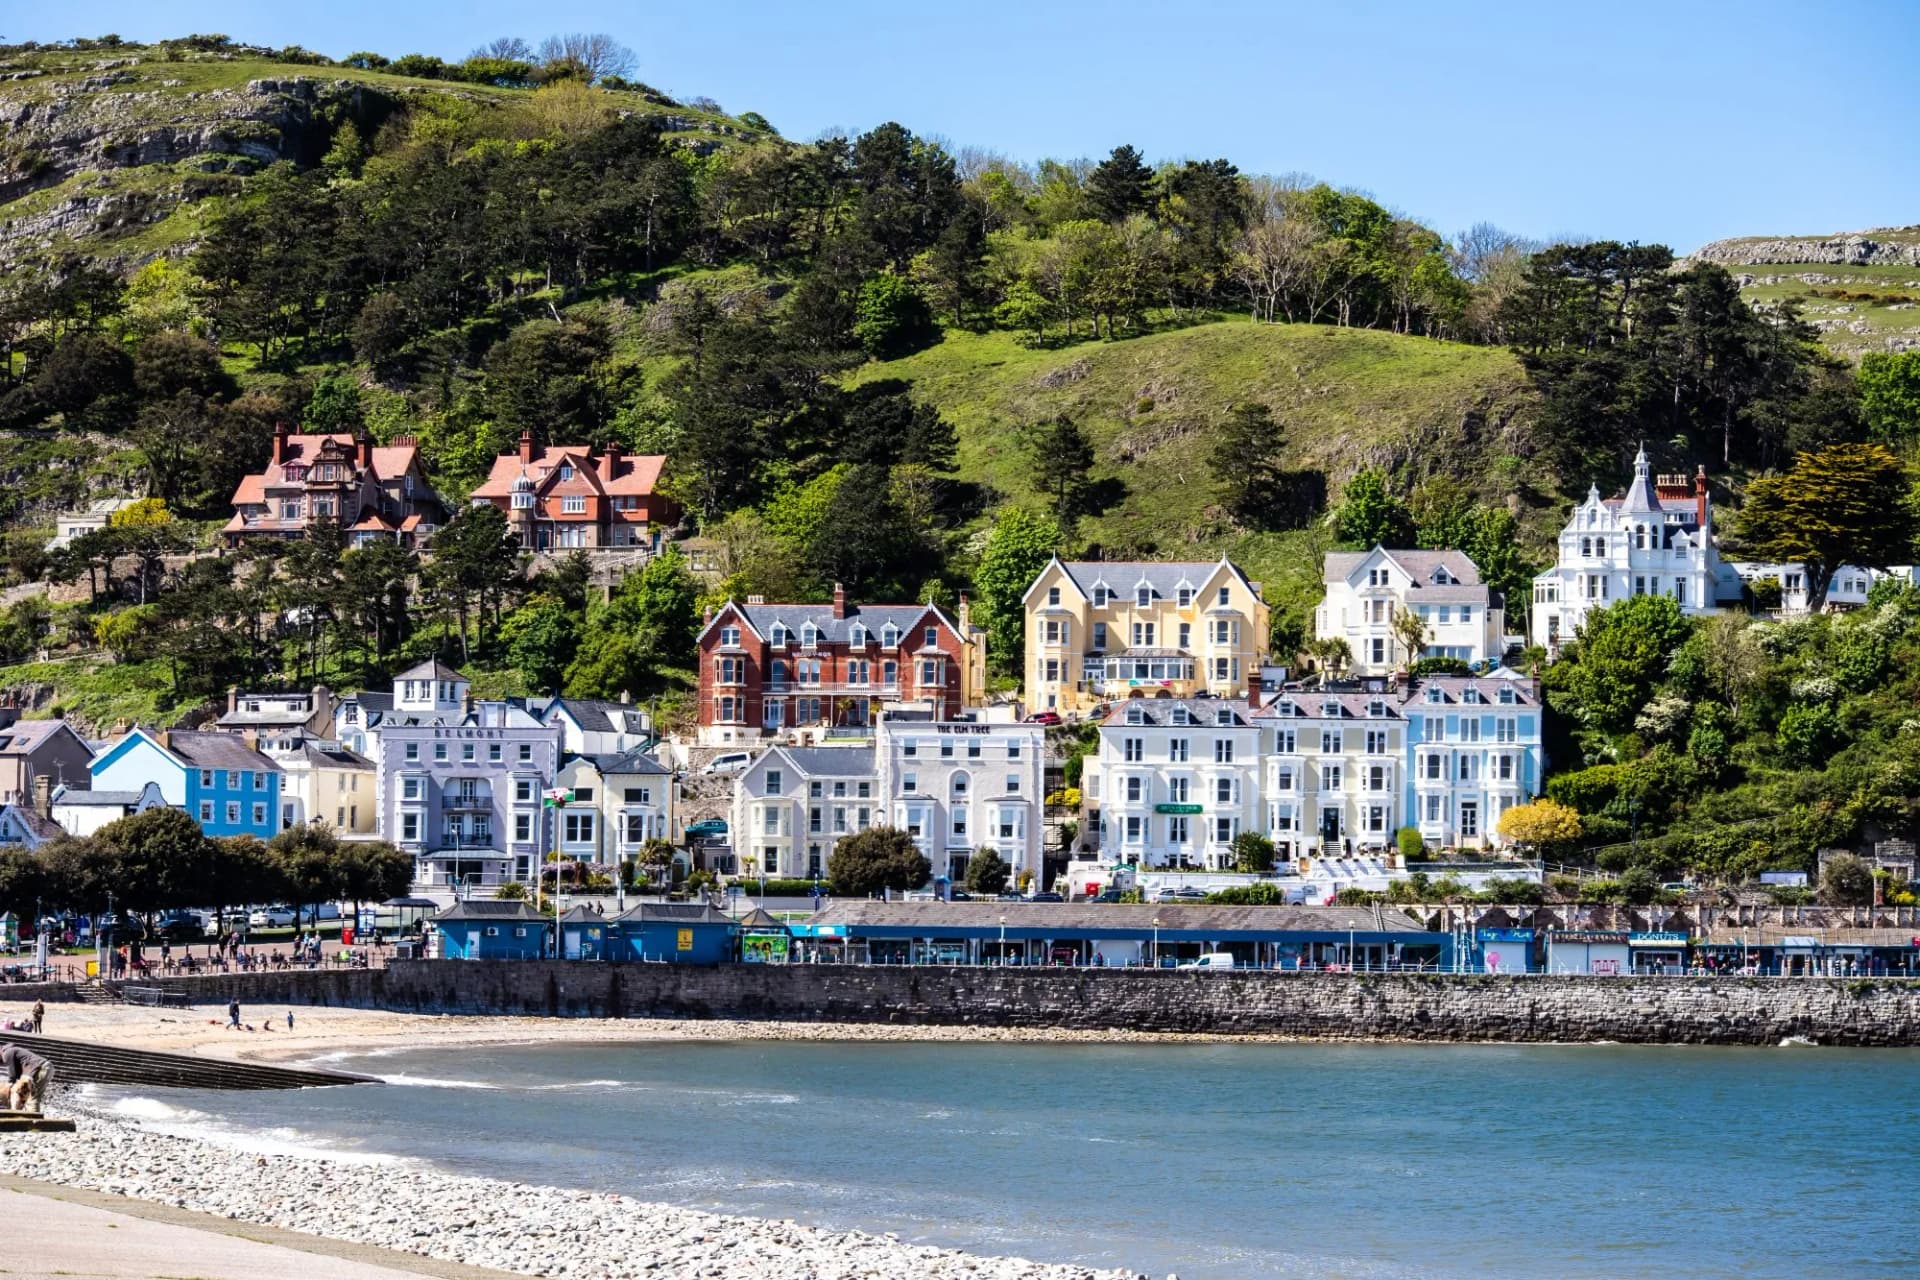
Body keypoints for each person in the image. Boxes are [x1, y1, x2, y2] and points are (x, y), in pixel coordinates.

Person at [2, 1043, 52, 1113]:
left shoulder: (7, 1053)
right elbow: (18, 1075)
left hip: (41, 1069)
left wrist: (9, 1088)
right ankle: (30, 1118)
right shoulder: (14, 1052)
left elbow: (12, 1075)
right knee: (32, 1098)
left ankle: (33, 1121)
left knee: (32, 1099)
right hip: (46, 1068)